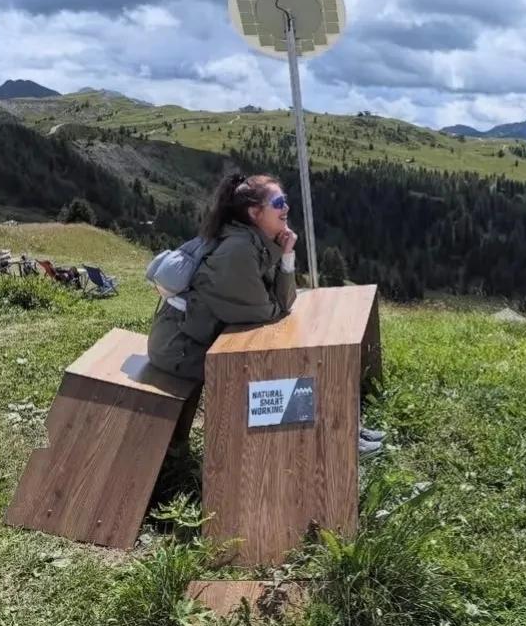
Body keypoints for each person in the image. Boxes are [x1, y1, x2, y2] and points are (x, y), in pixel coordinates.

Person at [148, 171, 384, 456]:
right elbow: (268, 311)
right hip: (180, 348)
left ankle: (342, 428)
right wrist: (278, 288)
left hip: (199, 337)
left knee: (290, 359)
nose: (286, 208)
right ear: (254, 212)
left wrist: (285, 256)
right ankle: (330, 439)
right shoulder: (237, 252)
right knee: (274, 370)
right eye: (279, 202)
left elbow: (281, 302)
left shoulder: (254, 242)